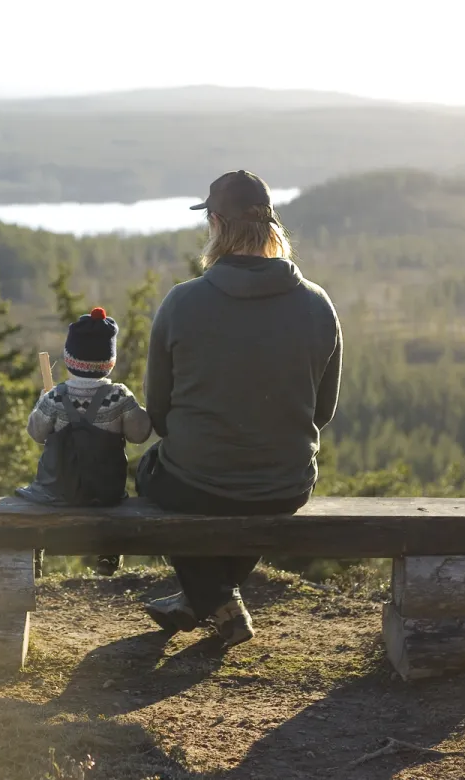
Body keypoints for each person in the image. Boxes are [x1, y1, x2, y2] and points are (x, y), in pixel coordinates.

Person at [138, 170, 343, 647]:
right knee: (246, 494)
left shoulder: (183, 302)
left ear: (214, 223)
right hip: (284, 486)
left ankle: (215, 599)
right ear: (272, 226)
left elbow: (159, 413)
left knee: (151, 474)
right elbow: (323, 412)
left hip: (194, 483)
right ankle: (205, 598)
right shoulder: (317, 304)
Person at [17, 307, 152, 576]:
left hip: (59, 491)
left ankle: (35, 551)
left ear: (69, 359)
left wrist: (42, 400)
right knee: (114, 502)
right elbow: (141, 434)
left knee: (29, 502)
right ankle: (109, 552)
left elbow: (37, 433)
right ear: (109, 362)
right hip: (106, 492)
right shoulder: (119, 397)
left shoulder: (55, 397)